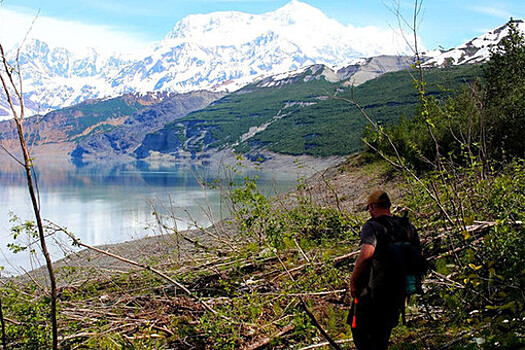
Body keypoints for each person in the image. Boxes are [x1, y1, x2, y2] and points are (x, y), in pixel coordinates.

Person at [348, 189, 422, 350]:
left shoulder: (373, 226)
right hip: (398, 292)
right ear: (389, 205)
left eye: (369, 208)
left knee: (361, 335)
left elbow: (367, 254)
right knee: (382, 335)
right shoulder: (407, 226)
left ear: (372, 207)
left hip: (372, 294)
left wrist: (353, 281)